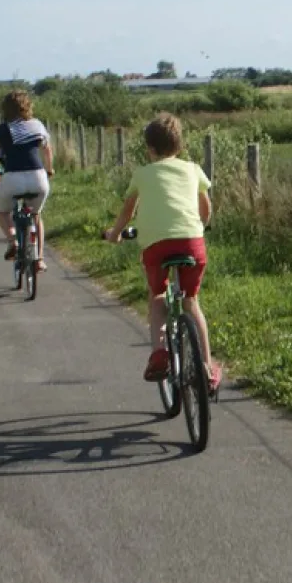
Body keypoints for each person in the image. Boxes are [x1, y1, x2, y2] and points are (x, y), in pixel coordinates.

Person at [103, 112, 220, 388]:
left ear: (149, 148)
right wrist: (200, 226)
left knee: (157, 297)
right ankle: (206, 367)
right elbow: (206, 208)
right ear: (180, 145)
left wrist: (115, 234)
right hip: (192, 240)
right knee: (191, 301)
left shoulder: (142, 174)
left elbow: (128, 211)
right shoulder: (193, 169)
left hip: (156, 245)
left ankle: (158, 352)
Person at [0, 91, 54, 272]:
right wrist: (49, 169)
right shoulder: (37, 125)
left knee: (2, 211)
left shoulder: (1, 129)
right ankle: (39, 260)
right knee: (36, 215)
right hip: (38, 177)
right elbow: (47, 151)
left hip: (13, 178)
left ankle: (13, 240)